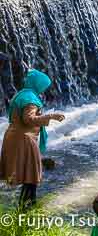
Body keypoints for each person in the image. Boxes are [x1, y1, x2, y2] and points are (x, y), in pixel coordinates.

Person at [0, 69, 65, 208]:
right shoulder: (30, 100)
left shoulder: (22, 94)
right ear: (37, 84)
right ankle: (27, 211)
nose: (43, 90)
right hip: (24, 139)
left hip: (15, 136)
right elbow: (29, 119)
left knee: (28, 178)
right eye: (43, 86)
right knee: (31, 178)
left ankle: (26, 210)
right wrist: (51, 116)